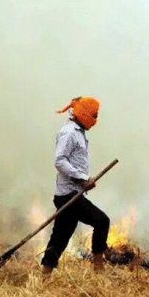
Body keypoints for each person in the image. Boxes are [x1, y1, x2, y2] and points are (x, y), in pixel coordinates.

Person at [40, 96, 110, 275]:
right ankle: (98, 269)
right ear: (85, 113)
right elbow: (59, 161)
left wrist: (83, 181)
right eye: (94, 115)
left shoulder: (79, 132)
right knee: (102, 221)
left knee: (60, 237)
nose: (95, 119)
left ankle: (45, 275)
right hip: (69, 194)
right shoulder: (69, 132)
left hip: (71, 193)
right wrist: (82, 178)